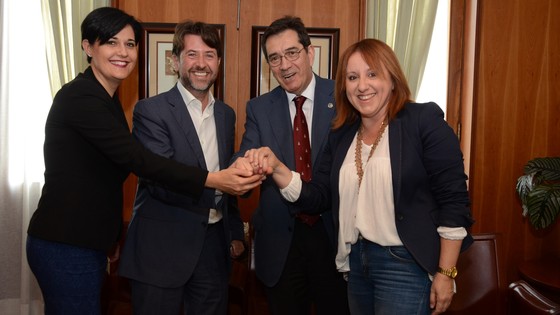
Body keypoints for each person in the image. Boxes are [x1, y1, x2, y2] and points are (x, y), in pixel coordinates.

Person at [26, 8, 261, 315]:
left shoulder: (107, 100)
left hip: (94, 241)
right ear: (88, 47)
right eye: (112, 42)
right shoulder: (83, 97)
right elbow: (142, 162)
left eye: (130, 44)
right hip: (68, 242)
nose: (123, 52)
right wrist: (215, 180)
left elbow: (104, 176)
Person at [244, 38, 475, 315]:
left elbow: (453, 200)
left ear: (392, 78)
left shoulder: (422, 120)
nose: (362, 85)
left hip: (404, 265)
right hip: (355, 267)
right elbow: (318, 197)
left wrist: (445, 272)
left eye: (372, 74)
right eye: (352, 77)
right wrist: (279, 168)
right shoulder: (342, 134)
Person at [118, 20, 244, 315]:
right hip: (161, 249)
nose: (201, 64)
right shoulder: (151, 111)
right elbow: (161, 179)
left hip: (213, 248)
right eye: (192, 54)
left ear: (219, 62)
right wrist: (219, 183)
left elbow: (227, 175)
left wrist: (235, 231)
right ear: (175, 61)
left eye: (210, 55)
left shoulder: (226, 115)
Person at [232, 16, 349, 315]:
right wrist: (246, 165)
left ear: (310, 53)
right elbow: (246, 154)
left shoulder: (343, 96)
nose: (284, 65)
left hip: (333, 234)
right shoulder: (259, 108)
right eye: (274, 58)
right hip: (281, 242)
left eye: (292, 53)